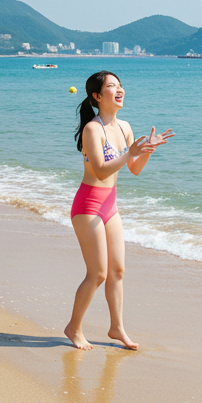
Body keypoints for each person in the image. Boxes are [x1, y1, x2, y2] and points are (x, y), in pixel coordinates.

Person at [64, 71, 174, 351]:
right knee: (98, 274)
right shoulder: (93, 129)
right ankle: (74, 328)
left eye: (120, 85)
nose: (119, 90)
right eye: (112, 86)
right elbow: (101, 171)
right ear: (97, 96)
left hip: (110, 205)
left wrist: (146, 150)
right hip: (88, 206)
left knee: (118, 271)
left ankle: (117, 328)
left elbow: (134, 169)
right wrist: (130, 152)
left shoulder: (125, 127)